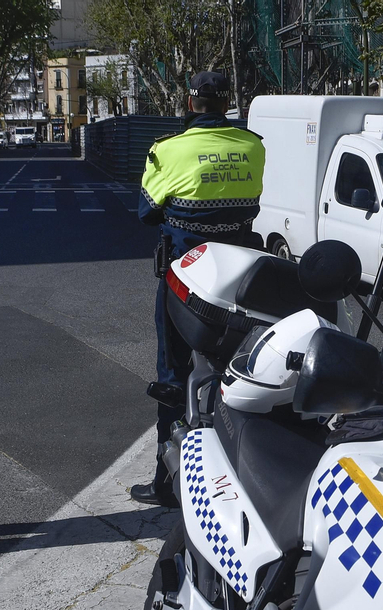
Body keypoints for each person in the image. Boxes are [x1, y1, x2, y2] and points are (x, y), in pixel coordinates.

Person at [131, 71, 265, 507]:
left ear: (190, 103)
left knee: (172, 377)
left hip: (185, 280)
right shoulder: (253, 146)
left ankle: (167, 483)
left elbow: (146, 213)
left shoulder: (168, 150)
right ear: (226, 102)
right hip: (242, 281)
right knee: (239, 372)